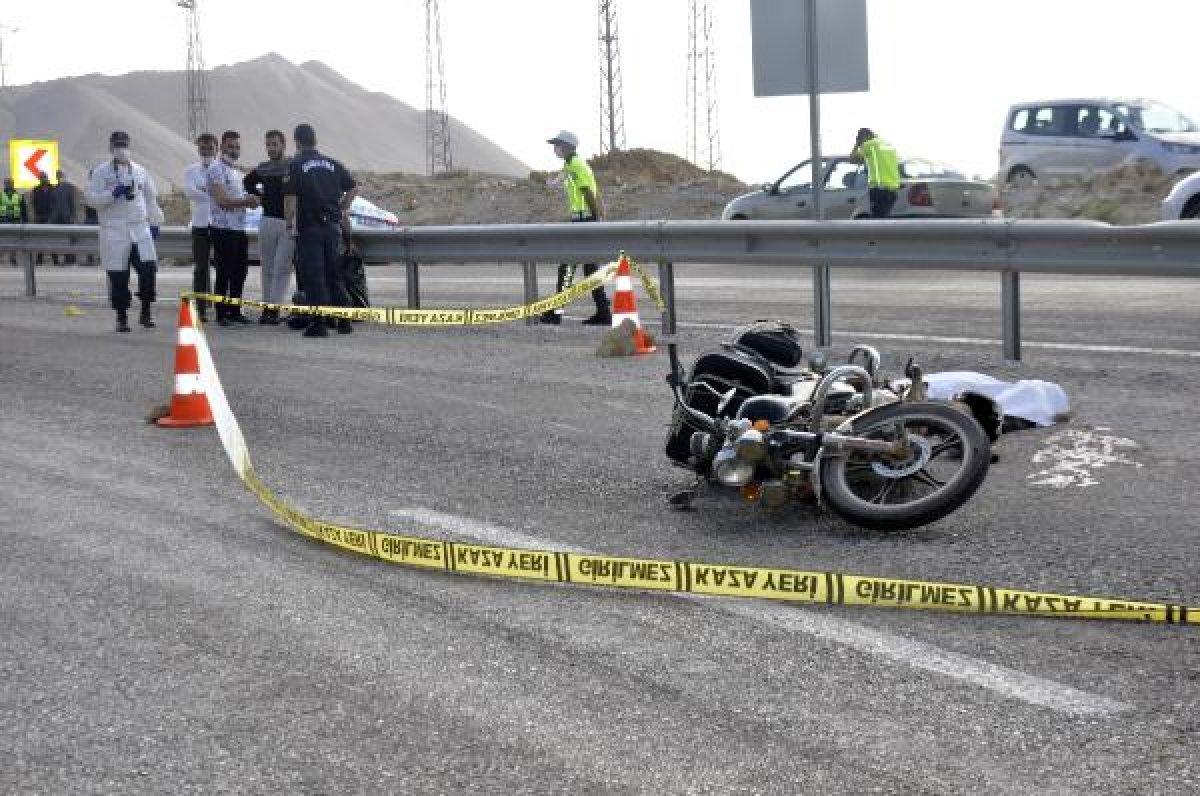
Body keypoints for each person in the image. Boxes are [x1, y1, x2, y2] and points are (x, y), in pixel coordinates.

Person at [83, 131, 164, 333]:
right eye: (118, 145)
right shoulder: (100, 172)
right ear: (111, 147)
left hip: (140, 228)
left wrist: (155, 222)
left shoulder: (140, 171)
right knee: (119, 276)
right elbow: (92, 200)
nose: (122, 149)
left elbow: (150, 198)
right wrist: (113, 193)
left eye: (124, 145)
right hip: (114, 230)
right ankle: (122, 316)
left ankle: (146, 311)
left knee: (148, 270)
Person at [283, 123, 356, 338]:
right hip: (333, 227)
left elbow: (290, 198)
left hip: (309, 227)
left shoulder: (295, 165)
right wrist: (341, 208)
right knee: (335, 274)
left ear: (296, 141)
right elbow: (353, 187)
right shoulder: (333, 163)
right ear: (315, 140)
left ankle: (319, 324)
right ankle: (344, 321)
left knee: (315, 276)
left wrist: (289, 224)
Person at [541, 130, 610, 326]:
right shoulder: (573, 164)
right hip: (585, 221)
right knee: (590, 269)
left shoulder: (576, 165)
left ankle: (555, 314)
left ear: (568, 147)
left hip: (584, 222)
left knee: (567, 268)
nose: (555, 148)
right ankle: (604, 313)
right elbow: (594, 191)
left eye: (557, 145)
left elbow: (588, 193)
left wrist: (595, 222)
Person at [206, 130, 261, 326]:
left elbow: (240, 199)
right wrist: (246, 202)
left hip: (238, 228)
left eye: (237, 147)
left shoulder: (237, 173)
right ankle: (221, 314)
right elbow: (222, 201)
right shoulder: (215, 169)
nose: (234, 150)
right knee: (224, 272)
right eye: (230, 146)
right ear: (221, 147)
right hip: (222, 229)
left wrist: (253, 201)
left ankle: (235, 310)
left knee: (240, 271)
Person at [243, 129, 293, 324]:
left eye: (274, 144)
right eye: (268, 145)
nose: (271, 148)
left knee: (282, 268)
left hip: (288, 223)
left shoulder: (292, 165)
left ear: (283, 145)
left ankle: (274, 310)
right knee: (268, 267)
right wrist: (258, 196)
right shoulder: (263, 168)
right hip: (267, 221)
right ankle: (267, 310)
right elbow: (247, 181)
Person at [184, 133, 218, 321]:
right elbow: (191, 192)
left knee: (223, 268)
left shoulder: (222, 169)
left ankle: (223, 307)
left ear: (216, 149)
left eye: (210, 148)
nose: (206, 152)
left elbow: (228, 192)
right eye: (203, 148)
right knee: (201, 268)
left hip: (221, 225)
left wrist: (208, 191)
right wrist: (215, 194)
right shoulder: (191, 171)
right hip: (200, 224)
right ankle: (201, 308)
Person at [850, 128, 902, 219]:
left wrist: (857, 144)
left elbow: (852, 159)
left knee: (877, 221)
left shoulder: (870, 144)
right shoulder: (888, 145)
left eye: (860, 139)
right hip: (893, 189)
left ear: (864, 137)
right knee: (884, 219)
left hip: (879, 189)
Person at [51, 169, 79, 264]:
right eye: (57, 175)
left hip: (67, 216)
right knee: (58, 239)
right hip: (57, 217)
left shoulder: (68, 187)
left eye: (60, 175)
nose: (58, 177)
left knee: (69, 238)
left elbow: (71, 202)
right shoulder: (54, 188)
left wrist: (73, 215)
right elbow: (53, 204)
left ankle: (70, 258)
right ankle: (59, 259)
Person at [31, 171, 57, 265]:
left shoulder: (53, 189)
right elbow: (34, 204)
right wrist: (36, 216)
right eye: (41, 178)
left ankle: (55, 259)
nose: (43, 179)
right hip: (40, 217)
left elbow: (55, 204)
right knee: (40, 238)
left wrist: (53, 217)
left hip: (50, 217)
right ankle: (39, 258)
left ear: (47, 178)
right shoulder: (36, 190)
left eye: (44, 177)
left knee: (51, 238)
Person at [0, 178, 27, 266]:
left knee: (14, 241)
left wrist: (25, 221)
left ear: (12, 184)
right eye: (6, 183)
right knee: (2, 240)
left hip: (15, 221)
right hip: (3, 220)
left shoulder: (18, 195)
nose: (8, 185)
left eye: (9, 183)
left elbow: (23, 209)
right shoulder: (1, 195)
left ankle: (12, 258)